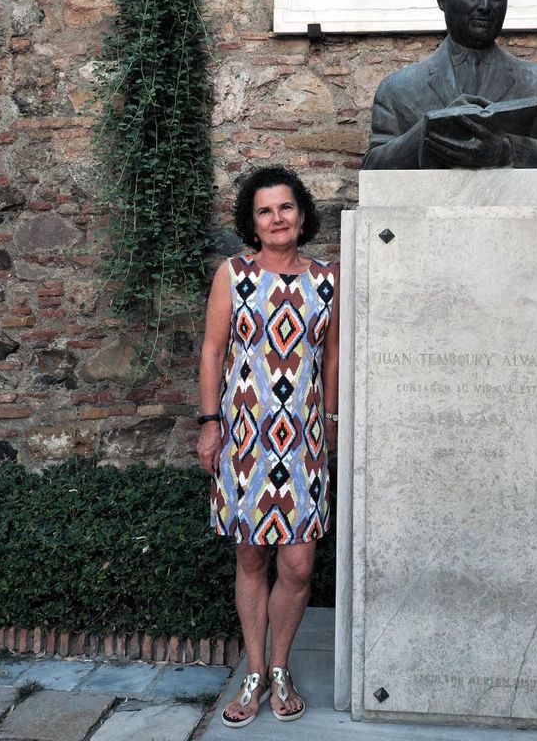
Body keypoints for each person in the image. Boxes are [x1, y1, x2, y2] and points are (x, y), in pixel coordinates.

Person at [196, 166, 339, 728]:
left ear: (301, 215)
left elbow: (329, 358)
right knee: (251, 553)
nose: (277, 218)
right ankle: (256, 672)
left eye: (285, 207)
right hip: (245, 435)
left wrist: (328, 418)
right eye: (265, 211)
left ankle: (281, 665)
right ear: (251, 223)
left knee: (299, 563)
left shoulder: (329, 279)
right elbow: (212, 351)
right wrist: (210, 423)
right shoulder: (233, 275)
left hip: (302, 437)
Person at [362, 0, 537, 170]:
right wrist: (434, 125)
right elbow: (374, 166)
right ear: (442, 0)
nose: (485, 5)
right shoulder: (397, 89)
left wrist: (506, 151)